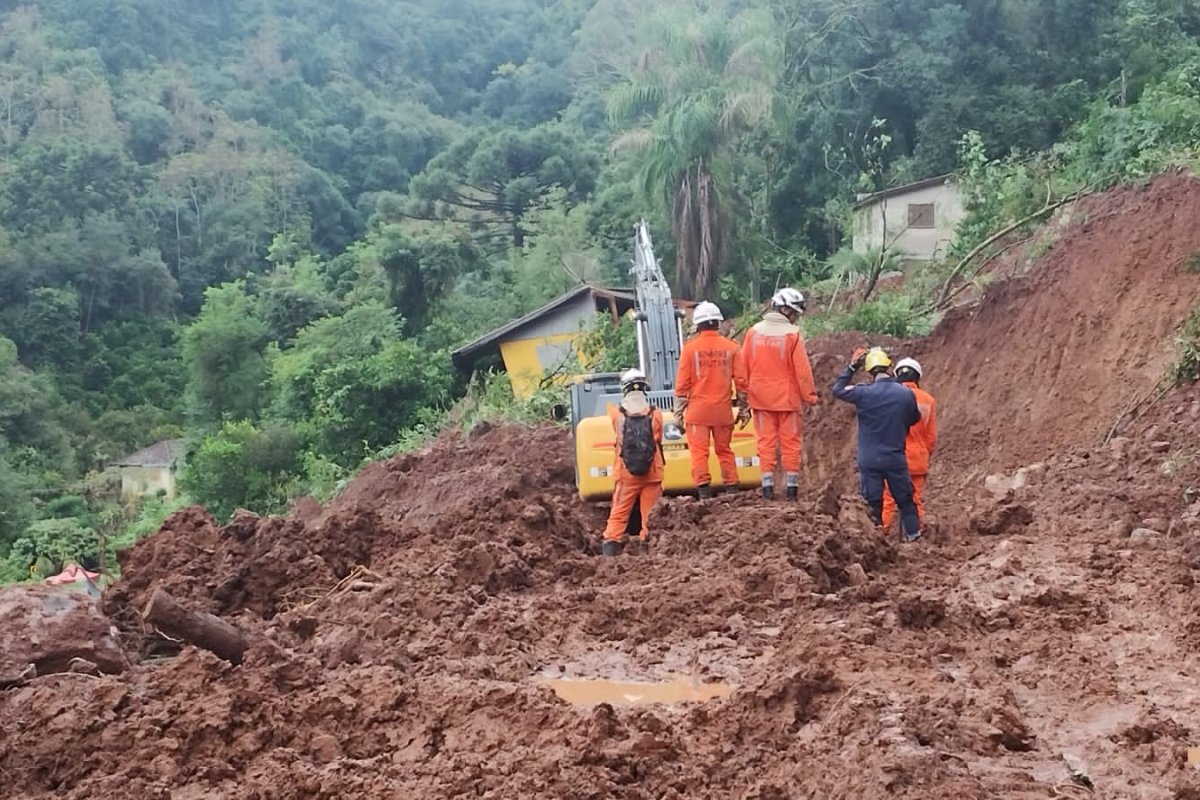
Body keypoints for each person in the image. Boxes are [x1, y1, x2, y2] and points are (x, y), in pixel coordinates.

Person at [831, 347, 923, 543]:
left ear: (869, 370)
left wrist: (851, 366)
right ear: (889, 366)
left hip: (869, 459)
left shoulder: (863, 393)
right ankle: (914, 538)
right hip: (894, 457)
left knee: (873, 503)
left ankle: (875, 542)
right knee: (906, 501)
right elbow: (915, 418)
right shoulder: (905, 394)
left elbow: (837, 389)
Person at [741, 288, 819, 500]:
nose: (795, 318)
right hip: (787, 399)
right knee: (790, 443)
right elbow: (802, 372)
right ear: (786, 310)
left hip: (760, 399)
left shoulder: (753, 332)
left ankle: (767, 488)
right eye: (794, 314)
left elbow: (743, 367)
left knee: (765, 443)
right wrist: (810, 397)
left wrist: (744, 394)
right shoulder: (793, 335)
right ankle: (791, 490)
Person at [674, 301, 750, 499]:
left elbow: (682, 385)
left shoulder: (690, 350)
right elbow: (742, 382)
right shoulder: (732, 347)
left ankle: (704, 492)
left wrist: (677, 415)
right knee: (724, 450)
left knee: (699, 453)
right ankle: (732, 489)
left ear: (698, 325)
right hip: (722, 412)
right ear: (717, 323)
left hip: (697, 413)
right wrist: (743, 409)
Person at [601, 368, 665, 556]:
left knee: (619, 513)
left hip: (626, 474)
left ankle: (611, 547)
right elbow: (657, 439)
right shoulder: (656, 414)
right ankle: (646, 548)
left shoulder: (616, 415)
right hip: (652, 474)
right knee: (649, 515)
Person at [882, 357, 937, 534]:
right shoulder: (928, 400)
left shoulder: (890, 397)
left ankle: (881, 536)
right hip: (918, 459)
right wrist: (924, 454)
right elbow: (930, 437)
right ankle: (916, 538)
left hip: (894, 457)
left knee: (889, 499)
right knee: (915, 499)